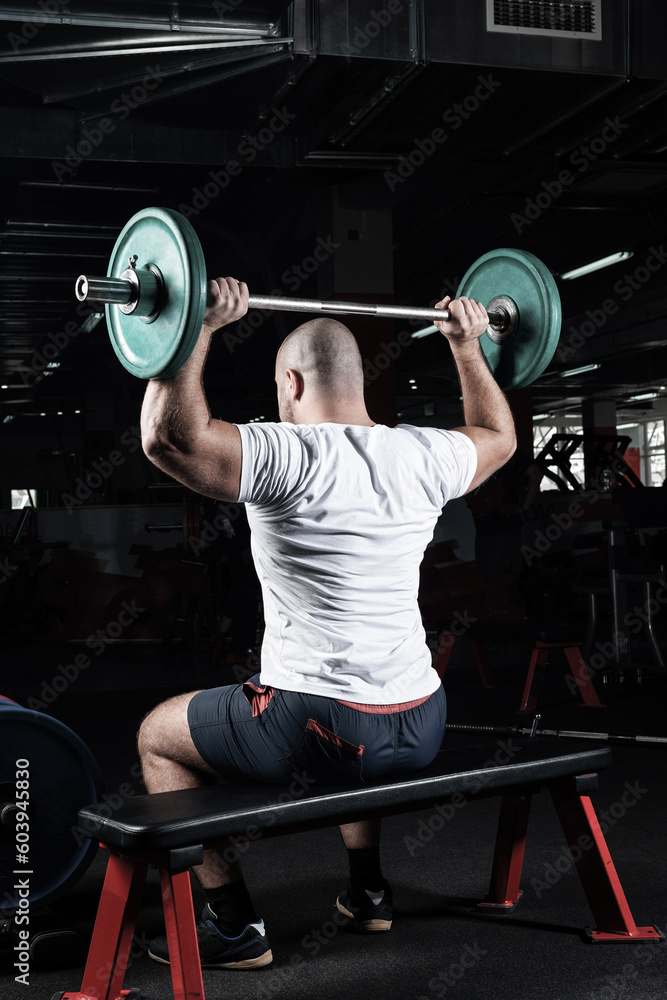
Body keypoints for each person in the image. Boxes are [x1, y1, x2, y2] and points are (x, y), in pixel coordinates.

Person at [137, 277, 516, 970]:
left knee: (159, 734)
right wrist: (466, 347)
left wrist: (191, 332)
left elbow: (167, 440)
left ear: (289, 382)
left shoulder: (283, 452)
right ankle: (368, 892)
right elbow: (497, 434)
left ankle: (232, 927)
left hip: (320, 727)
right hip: (422, 720)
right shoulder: (423, 453)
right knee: (354, 713)